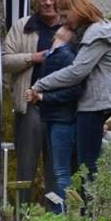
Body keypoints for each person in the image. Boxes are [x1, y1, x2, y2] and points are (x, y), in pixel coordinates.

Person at [26, 0, 111, 194]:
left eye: (65, 14)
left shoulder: (97, 33)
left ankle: (90, 215)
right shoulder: (92, 31)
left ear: (76, 9)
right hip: (88, 104)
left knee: (88, 165)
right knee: (84, 165)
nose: (64, 20)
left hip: (93, 105)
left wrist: (40, 85)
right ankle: (86, 213)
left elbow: (78, 71)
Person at [1, 0, 63, 205]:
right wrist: (33, 57)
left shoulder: (71, 27)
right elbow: (4, 61)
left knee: (57, 167)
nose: (48, 2)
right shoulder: (23, 25)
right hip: (29, 106)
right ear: (37, 1)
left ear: (61, 0)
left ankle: (55, 216)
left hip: (61, 106)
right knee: (26, 165)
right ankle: (21, 214)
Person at [34, 23, 82, 208]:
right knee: (59, 169)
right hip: (54, 115)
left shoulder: (65, 55)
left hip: (62, 117)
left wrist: (43, 96)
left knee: (62, 170)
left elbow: (74, 90)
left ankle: (61, 213)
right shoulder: (55, 54)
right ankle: (60, 211)